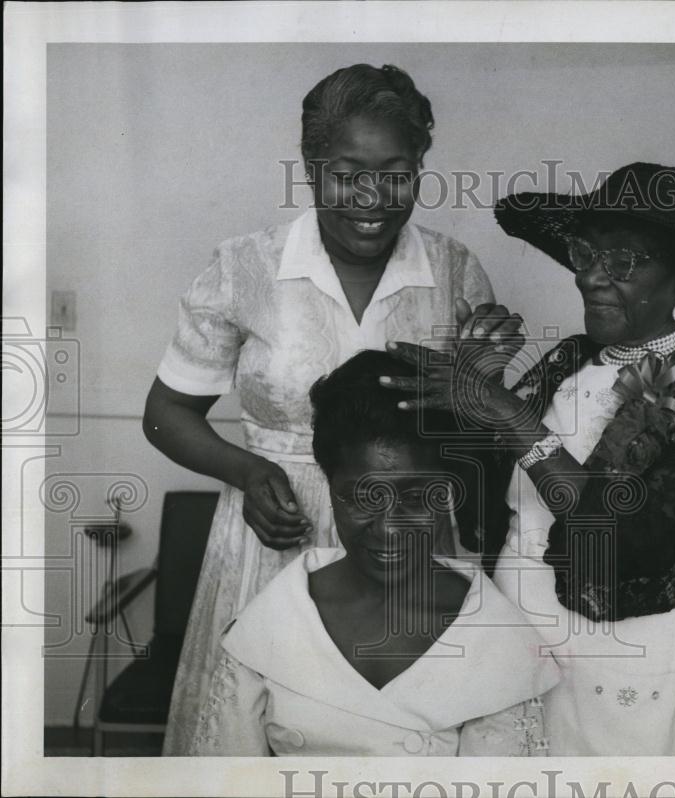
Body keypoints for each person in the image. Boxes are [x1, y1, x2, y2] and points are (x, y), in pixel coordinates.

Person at [143, 63, 519, 753]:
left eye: (397, 171)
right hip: (273, 538)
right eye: (349, 172)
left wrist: (484, 381)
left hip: (409, 539)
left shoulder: (455, 271)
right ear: (313, 169)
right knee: (248, 737)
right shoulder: (243, 268)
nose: (374, 196)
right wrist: (247, 472)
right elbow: (166, 411)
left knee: (408, 737)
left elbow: (474, 441)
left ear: (420, 169)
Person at [381, 162, 675, 755]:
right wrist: (472, 396)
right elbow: (487, 492)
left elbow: (624, 538)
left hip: (615, 656)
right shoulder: (570, 360)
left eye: (621, 261)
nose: (591, 277)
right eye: (585, 253)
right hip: (512, 622)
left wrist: (510, 417)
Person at [188, 351, 559, 756]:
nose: (389, 528)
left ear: (448, 490)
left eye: (416, 497)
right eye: (362, 498)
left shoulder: (493, 642)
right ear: (328, 487)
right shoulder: (273, 622)